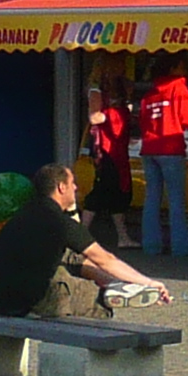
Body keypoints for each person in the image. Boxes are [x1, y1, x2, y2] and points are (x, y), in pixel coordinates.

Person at [0, 163, 175, 319]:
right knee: (99, 305)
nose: (76, 188)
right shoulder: (58, 222)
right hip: (33, 300)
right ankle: (110, 295)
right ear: (61, 187)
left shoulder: (22, 215)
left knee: (68, 256)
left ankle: (115, 284)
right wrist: (149, 282)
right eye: (72, 183)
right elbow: (105, 259)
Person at [136, 60, 188, 258]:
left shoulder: (149, 94)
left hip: (149, 149)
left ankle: (151, 246)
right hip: (171, 149)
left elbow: (142, 122)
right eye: (181, 65)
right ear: (172, 68)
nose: (185, 69)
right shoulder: (179, 89)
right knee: (175, 200)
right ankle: (181, 247)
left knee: (152, 198)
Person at [81, 79, 134, 250]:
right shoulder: (119, 112)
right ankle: (80, 235)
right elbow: (95, 117)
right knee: (105, 195)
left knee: (109, 195)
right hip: (112, 156)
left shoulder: (115, 112)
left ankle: (122, 236)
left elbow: (95, 117)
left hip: (108, 155)